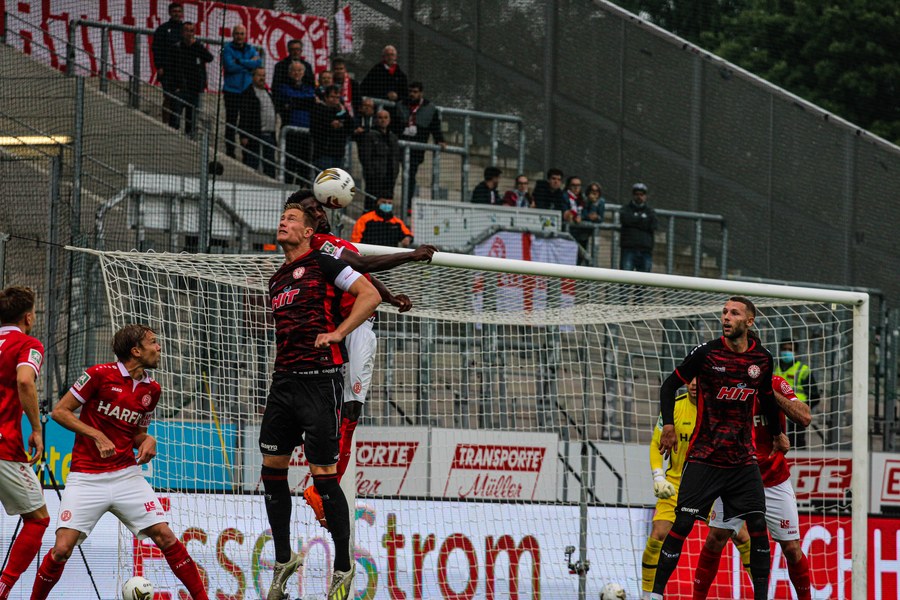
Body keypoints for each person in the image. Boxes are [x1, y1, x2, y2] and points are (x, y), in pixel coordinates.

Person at [30, 325, 208, 600]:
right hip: (86, 477)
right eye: (153, 342)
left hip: (127, 475)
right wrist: (96, 434)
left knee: (165, 536)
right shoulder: (98, 375)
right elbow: (60, 412)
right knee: (62, 549)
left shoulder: (153, 389)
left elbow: (137, 434)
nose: (159, 347)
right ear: (136, 351)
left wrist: (148, 441)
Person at [295, 193, 437, 529]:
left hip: (350, 325)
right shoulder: (319, 244)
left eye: (319, 208)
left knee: (344, 410)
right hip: (351, 327)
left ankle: (322, 488)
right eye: (311, 210)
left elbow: (359, 277)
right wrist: (411, 255)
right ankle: (322, 490)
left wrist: (389, 298)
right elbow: (362, 266)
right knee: (348, 409)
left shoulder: (331, 243)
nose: (319, 213)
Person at [261, 203, 381, 600]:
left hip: (320, 381)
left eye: (292, 219)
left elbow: (369, 295)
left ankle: (343, 567)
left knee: (324, 477)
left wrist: (339, 333)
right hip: (283, 383)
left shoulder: (324, 262)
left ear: (309, 232)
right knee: (272, 470)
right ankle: (284, 560)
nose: (283, 222)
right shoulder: (277, 279)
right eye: (282, 217)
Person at [650, 297, 784, 600]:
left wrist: (777, 434)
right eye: (724, 312)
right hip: (705, 457)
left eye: (734, 313)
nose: (726, 317)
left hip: (742, 460)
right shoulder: (707, 353)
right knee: (682, 523)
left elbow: (766, 398)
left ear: (749, 321)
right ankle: (655, 595)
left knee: (757, 524)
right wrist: (668, 425)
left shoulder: (762, 359)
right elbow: (669, 386)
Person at [693, 374, 813, 600]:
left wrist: (767, 392)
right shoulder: (727, 385)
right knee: (716, 537)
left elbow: (805, 417)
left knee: (791, 548)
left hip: (773, 479)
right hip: (735, 476)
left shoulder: (775, 383)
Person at [0, 287, 48, 600]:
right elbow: (24, 380)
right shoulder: (27, 344)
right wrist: (36, 429)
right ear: (28, 317)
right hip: (3, 445)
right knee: (38, 519)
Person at [640, 378, 697, 599]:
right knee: (657, 535)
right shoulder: (673, 407)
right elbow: (656, 443)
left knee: (742, 536)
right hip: (676, 484)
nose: (694, 383)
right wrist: (658, 476)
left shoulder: (717, 408)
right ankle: (647, 595)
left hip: (711, 484)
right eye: (690, 379)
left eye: (699, 378)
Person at [393, 82, 446, 205]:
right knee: (392, 174)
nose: (412, 94)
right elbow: (394, 124)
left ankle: (407, 205)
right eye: (410, 91)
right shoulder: (401, 105)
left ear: (421, 93)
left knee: (411, 176)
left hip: (416, 149)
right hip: (399, 146)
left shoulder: (430, 108)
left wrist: (440, 140)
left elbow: (435, 127)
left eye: (415, 92)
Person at [222, 25, 262, 158]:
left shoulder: (250, 48)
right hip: (231, 91)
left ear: (245, 35)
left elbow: (258, 63)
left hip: (246, 90)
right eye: (237, 33)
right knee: (231, 121)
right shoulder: (227, 48)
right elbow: (229, 66)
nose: (239, 36)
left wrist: (239, 61)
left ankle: (247, 153)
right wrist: (248, 64)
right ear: (233, 35)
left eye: (242, 34)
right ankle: (230, 151)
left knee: (246, 121)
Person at [276, 61, 316, 184]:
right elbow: (288, 97)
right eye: (294, 70)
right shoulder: (283, 86)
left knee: (304, 166)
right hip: (290, 133)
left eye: (299, 71)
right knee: (289, 164)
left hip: (306, 134)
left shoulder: (308, 87)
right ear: (289, 73)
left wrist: (294, 102)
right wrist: (304, 101)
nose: (296, 73)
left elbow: (311, 99)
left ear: (303, 73)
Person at [774, 339, 820, 449]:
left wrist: (802, 409)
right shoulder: (773, 367)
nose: (786, 352)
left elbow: (815, 396)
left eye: (790, 350)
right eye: (784, 349)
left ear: (796, 352)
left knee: (797, 442)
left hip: (795, 412)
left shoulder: (803, 370)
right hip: (776, 412)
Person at [170, 22, 213, 137]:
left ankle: (189, 138)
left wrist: (198, 45)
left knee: (191, 122)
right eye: (186, 31)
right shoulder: (176, 48)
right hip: (180, 89)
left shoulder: (198, 47)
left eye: (191, 31)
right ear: (182, 33)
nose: (189, 33)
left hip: (194, 89)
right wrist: (174, 86)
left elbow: (210, 58)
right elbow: (171, 68)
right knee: (174, 120)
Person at [358, 109, 400, 210]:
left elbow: (396, 158)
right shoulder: (369, 136)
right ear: (376, 120)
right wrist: (371, 174)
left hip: (389, 179)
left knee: (386, 207)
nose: (383, 120)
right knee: (371, 205)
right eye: (380, 118)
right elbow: (365, 158)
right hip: (374, 179)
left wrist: (395, 173)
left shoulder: (393, 137)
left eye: (385, 118)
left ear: (389, 120)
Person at [240, 67, 278, 177]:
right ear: (253, 77)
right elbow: (244, 115)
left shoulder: (268, 93)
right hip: (254, 135)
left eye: (264, 75)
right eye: (259, 75)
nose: (262, 78)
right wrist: (243, 135)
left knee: (270, 166)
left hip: (269, 135)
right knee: (252, 164)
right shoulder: (248, 94)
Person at [151, 2, 184, 128]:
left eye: (179, 11)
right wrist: (159, 66)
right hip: (167, 70)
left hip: (182, 71)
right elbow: (156, 48)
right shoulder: (163, 29)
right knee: (168, 97)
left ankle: (175, 125)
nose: (177, 14)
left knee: (181, 99)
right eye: (174, 11)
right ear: (170, 13)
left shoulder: (185, 29)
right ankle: (165, 125)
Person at [311, 85, 353, 170]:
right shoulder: (318, 109)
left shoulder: (342, 111)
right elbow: (316, 128)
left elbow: (350, 126)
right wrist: (330, 125)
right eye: (332, 97)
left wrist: (342, 114)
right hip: (323, 153)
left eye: (337, 97)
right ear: (326, 97)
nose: (335, 100)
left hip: (339, 153)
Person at [620, 182, 658, 272]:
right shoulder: (626, 209)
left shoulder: (650, 211)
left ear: (645, 196)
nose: (639, 197)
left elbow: (653, 225)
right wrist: (643, 220)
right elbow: (626, 220)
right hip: (629, 249)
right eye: (637, 194)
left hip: (645, 250)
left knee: (644, 279)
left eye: (641, 194)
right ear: (633, 195)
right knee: (625, 277)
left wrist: (635, 221)